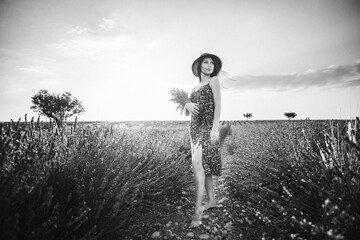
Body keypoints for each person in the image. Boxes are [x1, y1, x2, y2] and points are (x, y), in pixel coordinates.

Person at [184, 53, 222, 227]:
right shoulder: (195, 87)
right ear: (199, 66)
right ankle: (212, 200)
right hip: (194, 129)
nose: (209, 65)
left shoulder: (213, 81)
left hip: (207, 127)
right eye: (205, 62)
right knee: (203, 166)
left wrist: (215, 128)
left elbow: (218, 105)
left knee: (197, 164)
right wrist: (186, 104)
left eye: (212, 63)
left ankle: (198, 210)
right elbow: (187, 112)